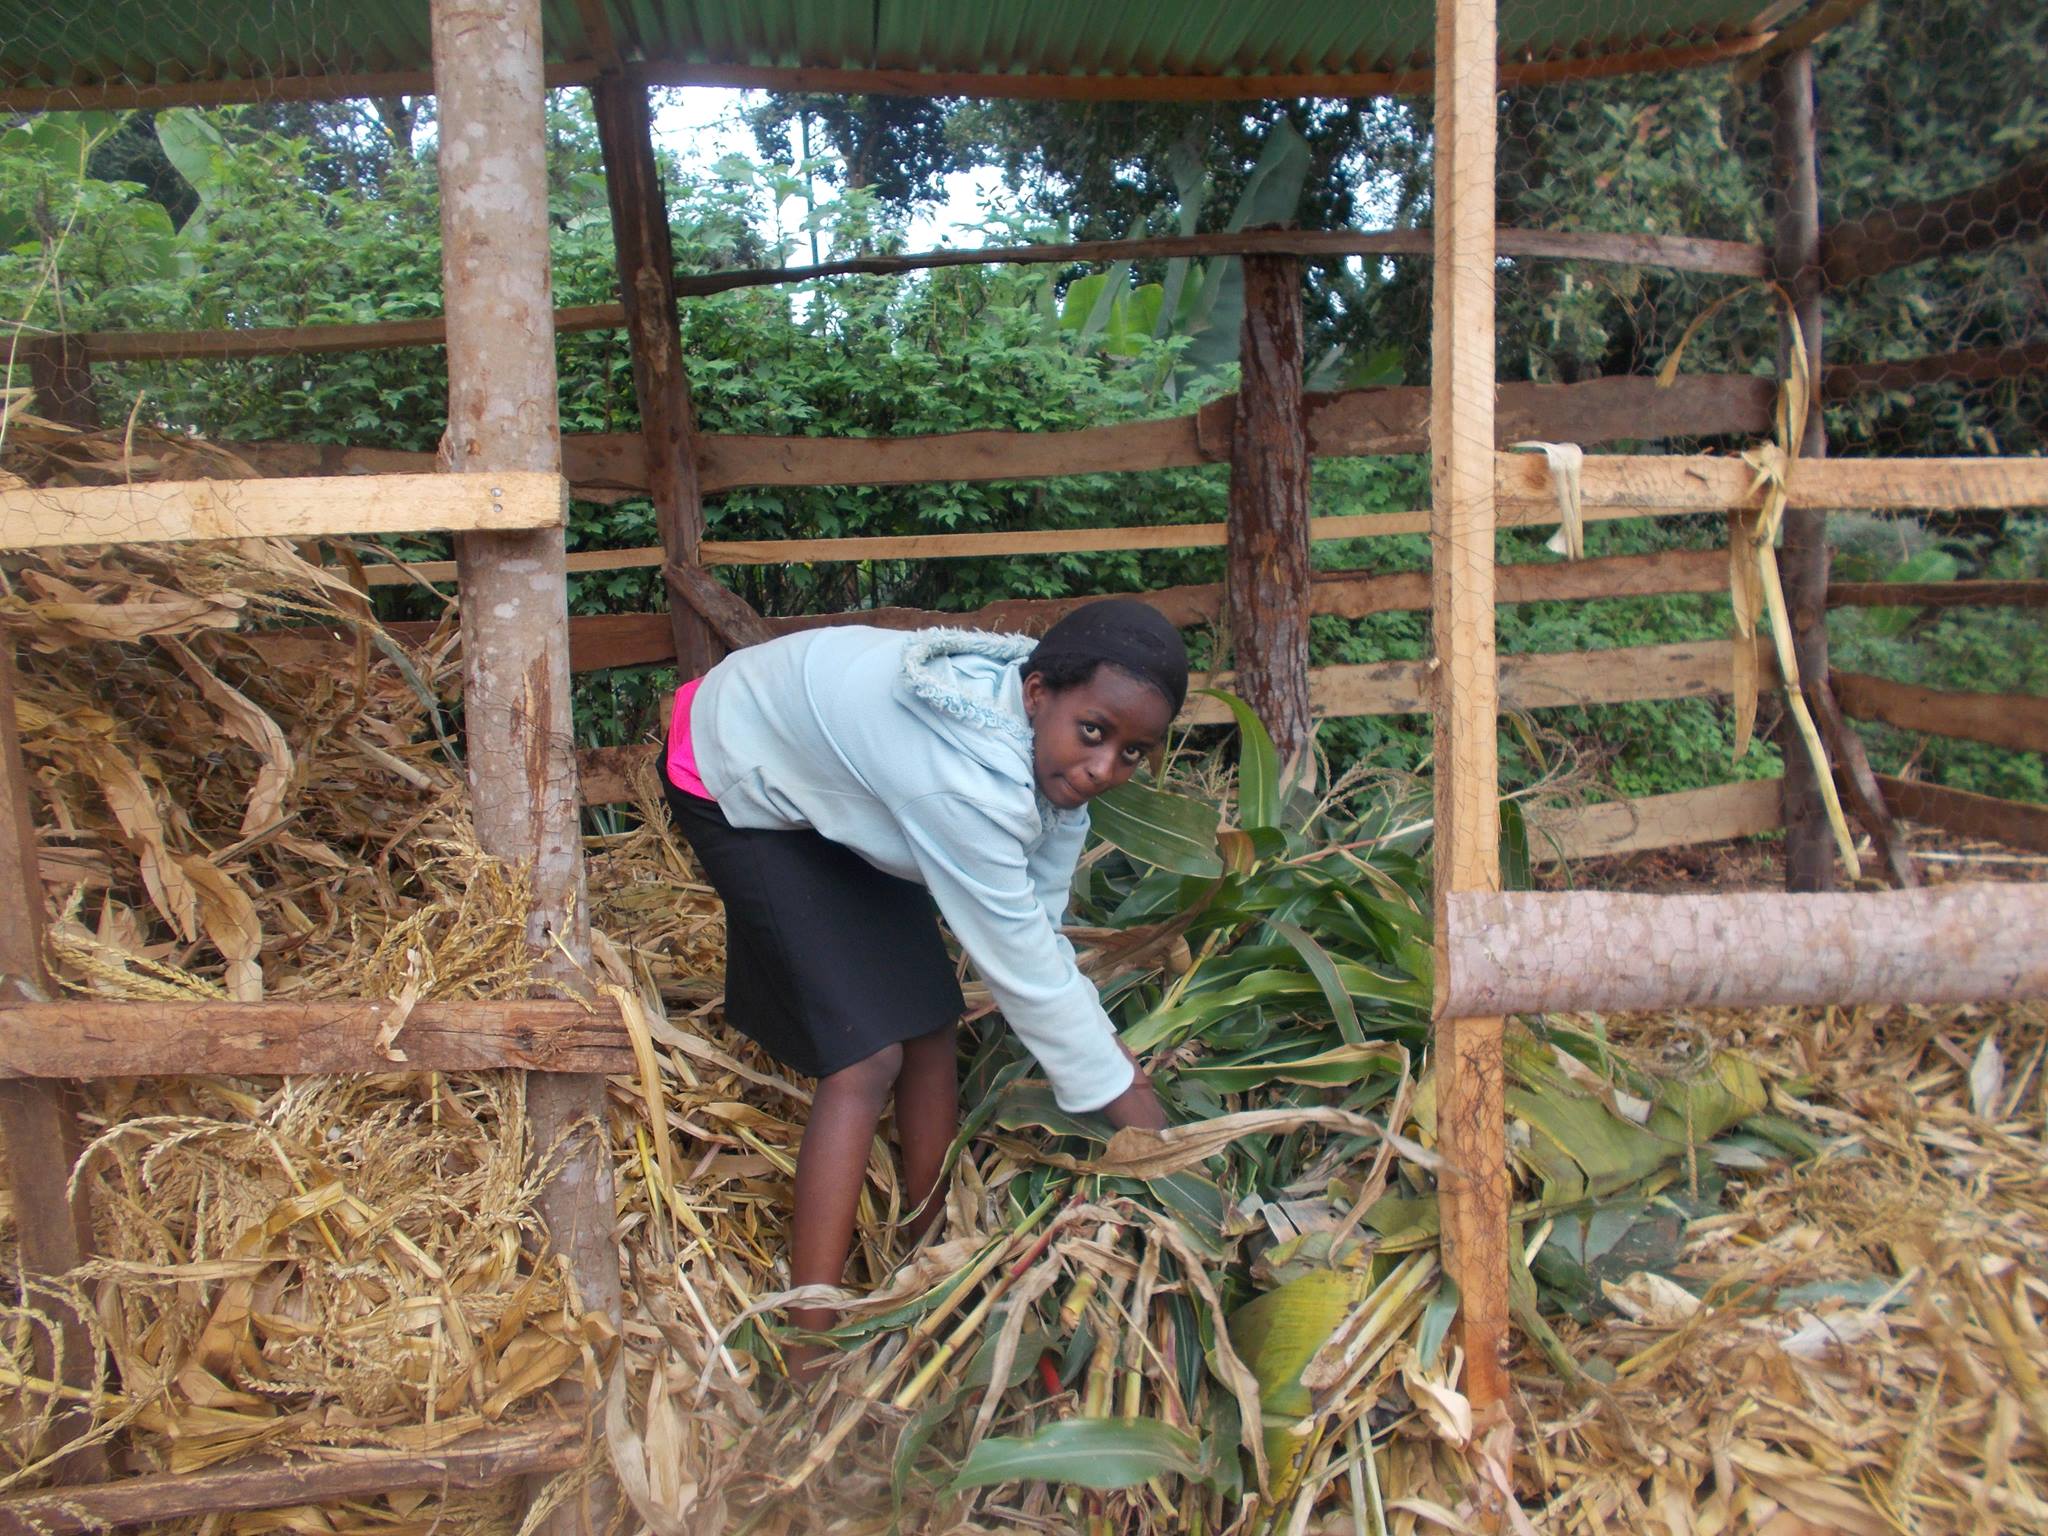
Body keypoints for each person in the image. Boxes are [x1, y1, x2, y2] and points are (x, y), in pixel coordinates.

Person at [660, 599, 1186, 1372]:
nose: (1106, 769)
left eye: (1134, 753)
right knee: (866, 1060)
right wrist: (1140, 1114)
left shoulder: (1040, 752)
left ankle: (929, 1261)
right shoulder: (958, 785)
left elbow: (1032, 922)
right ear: (1037, 693)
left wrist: (1077, 1033)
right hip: (734, 765)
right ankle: (811, 1345)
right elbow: (1025, 968)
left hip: (839, 775)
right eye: (1095, 733)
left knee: (932, 1025)